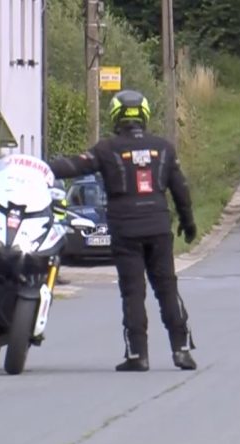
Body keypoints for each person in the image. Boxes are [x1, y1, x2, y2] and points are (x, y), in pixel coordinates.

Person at [48, 89, 198, 372]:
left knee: (133, 292)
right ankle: (182, 350)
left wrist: (39, 167)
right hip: (158, 227)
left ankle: (137, 355)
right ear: (144, 115)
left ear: (116, 116)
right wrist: (188, 224)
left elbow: (73, 166)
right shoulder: (164, 147)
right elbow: (181, 189)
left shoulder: (106, 149)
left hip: (125, 230)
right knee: (167, 288)